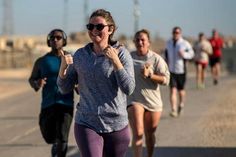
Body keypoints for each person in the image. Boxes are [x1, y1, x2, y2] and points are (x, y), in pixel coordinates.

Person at [57, 9, 135, 157]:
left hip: (116, 124)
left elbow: (129, 88)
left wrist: (115, 61)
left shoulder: (122, 54)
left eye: (99, 27)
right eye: (90, 27)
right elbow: (64, 88)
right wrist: (63, 68)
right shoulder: (80, 55)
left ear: (110, 29)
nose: (94, 30)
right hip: (87, 122)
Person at [28, 29, 74, 157]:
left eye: (58, 37)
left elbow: (79, 78)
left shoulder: (71, 59)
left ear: (64, 40)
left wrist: (78, 85)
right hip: (48, 104)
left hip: (66, 103)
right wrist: (37, 83)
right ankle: (55, 146)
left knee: (62, 137)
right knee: (49, 136)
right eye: (52, 38)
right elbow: (32, 79)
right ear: (48, 41)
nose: (55, 40)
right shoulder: (42, 61)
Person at [128, 29, 170, 157]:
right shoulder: (129, 57)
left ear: (149, 42)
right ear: (134, 42)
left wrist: (151, 75)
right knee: (138, 133)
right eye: (137, 40)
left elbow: (166, 80)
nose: (140, 42)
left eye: (143, 40)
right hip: (134, 100)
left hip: (153, 102)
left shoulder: (155, 59)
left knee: (149, 134)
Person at [165, 26, 194, 117]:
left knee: (181, 91)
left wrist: (184, 54)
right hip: (171, 70)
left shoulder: (185, 43)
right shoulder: (168, 43)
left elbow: (191, 54)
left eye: (177, 32)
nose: (175, 34)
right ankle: (173, 109)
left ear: (180, 34)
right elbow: (165, 54)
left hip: (181, 70)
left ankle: (181, 105)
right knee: (173, 90)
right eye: (174, 32)